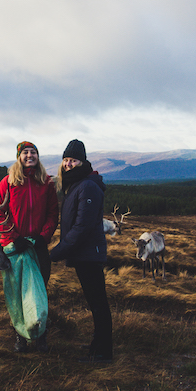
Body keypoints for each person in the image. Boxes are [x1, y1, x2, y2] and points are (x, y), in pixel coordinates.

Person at [0, 141, 59, 353]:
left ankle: (40, 336)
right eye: (26, 153)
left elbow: (52, 213)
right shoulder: (7, 182)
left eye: (34, 152)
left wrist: (44, 236)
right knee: (17, 292)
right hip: (15, 247)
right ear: (19, 157)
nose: (30, 156)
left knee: (39, 291)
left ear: (38, 156)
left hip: (37, 246)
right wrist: (13, 236)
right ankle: (20, 336)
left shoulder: (46, 183)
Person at [50, 139, 113, 363]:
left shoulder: (87, 186)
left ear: (82, 161)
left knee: (98, 302)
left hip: (89, 254)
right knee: (95, 301)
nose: (68, 164)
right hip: (84, 254)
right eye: (66, 160)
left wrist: (56, 253)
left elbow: (82, 227)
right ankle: (98, 344)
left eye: (73, 160)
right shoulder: (76, 184)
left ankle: (104, 352)